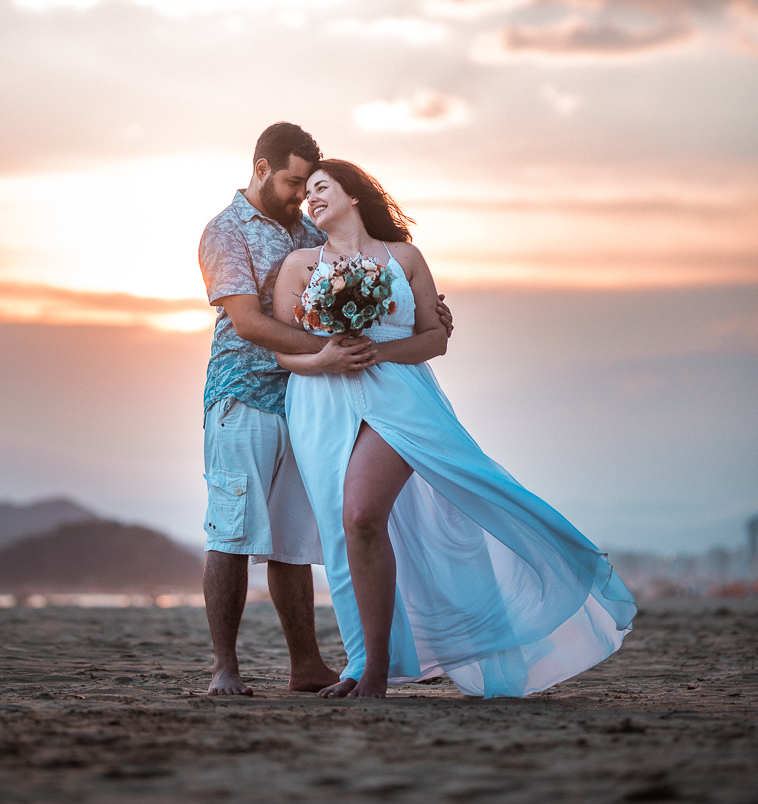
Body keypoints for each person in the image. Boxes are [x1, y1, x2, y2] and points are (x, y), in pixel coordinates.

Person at [273, 160, 637, 699]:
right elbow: (283, 352)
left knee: (362, 515)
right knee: (339, 527)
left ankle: (376, 671)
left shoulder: (404, 258)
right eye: (306, 195)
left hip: (398, 399)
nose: (311, 200)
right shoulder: (299, 264)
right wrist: (325, 358)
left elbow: (432, 338)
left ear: (354, 194)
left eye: (322, 188)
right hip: (320, 404)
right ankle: (364, 662)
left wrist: (379, 352)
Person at [198, 123, 453, 696]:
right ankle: (225, 668)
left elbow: (367, 284)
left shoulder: (305, 228)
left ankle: (306, 665)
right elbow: (248, 322)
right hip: (245, 392)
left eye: (308, 185)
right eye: (292, 181)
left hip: (312, 401)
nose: (300, 194)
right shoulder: (225, 231)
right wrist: (336, 351)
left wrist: (416, 319)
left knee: (295, 538)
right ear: (261, 168)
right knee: (232, 530)